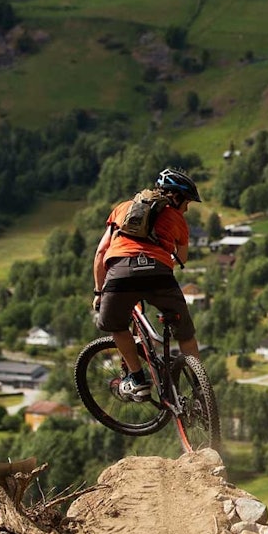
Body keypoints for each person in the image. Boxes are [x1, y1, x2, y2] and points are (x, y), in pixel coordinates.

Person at [91, 167, 202, 400]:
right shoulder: (177, 219)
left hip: (121, 275)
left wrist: (99, 292)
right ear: (176, 197)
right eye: (187, 202)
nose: (187, 208)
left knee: (116, 325)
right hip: (160, 277)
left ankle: (138, 379)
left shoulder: (123, 208)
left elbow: (101, 252)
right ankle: (200, 386)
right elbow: (181, 257)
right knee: (186, 334)